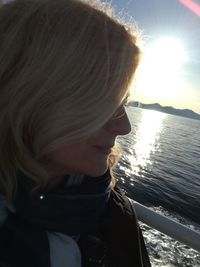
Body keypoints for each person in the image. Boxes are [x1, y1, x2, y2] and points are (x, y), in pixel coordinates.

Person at [0, 0, 151, 266]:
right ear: (28, 94)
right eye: (103, 102)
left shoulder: (116, 219)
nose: (124, 128)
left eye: (122, 104)